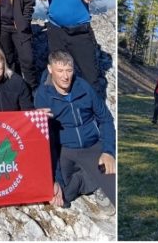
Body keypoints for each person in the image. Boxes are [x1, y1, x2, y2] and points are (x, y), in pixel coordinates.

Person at [35, 51, 115, 208]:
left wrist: (108, 151)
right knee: (61, 197)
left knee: (114, 184)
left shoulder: (84, 87)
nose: (65, 76)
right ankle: (88, 178)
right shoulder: (43, 95)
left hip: (92, 145)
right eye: (60, 71)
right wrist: (55, 178)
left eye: (69, 70)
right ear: (50, 69)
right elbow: (47, 140)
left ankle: (92, 180)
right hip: (66, 149)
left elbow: (105, 119)